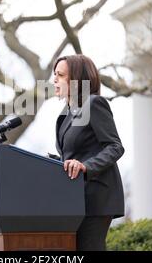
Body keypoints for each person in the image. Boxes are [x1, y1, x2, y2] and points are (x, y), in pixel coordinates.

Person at [53, 54, 125, 251]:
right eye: (54, 75)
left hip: (96, 197)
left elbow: (115, 146)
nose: (54, 80)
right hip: (74, 198)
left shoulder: (93, 104)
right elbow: (72, 154)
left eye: (60, 75)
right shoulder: (65, 114)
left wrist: (86, 166)